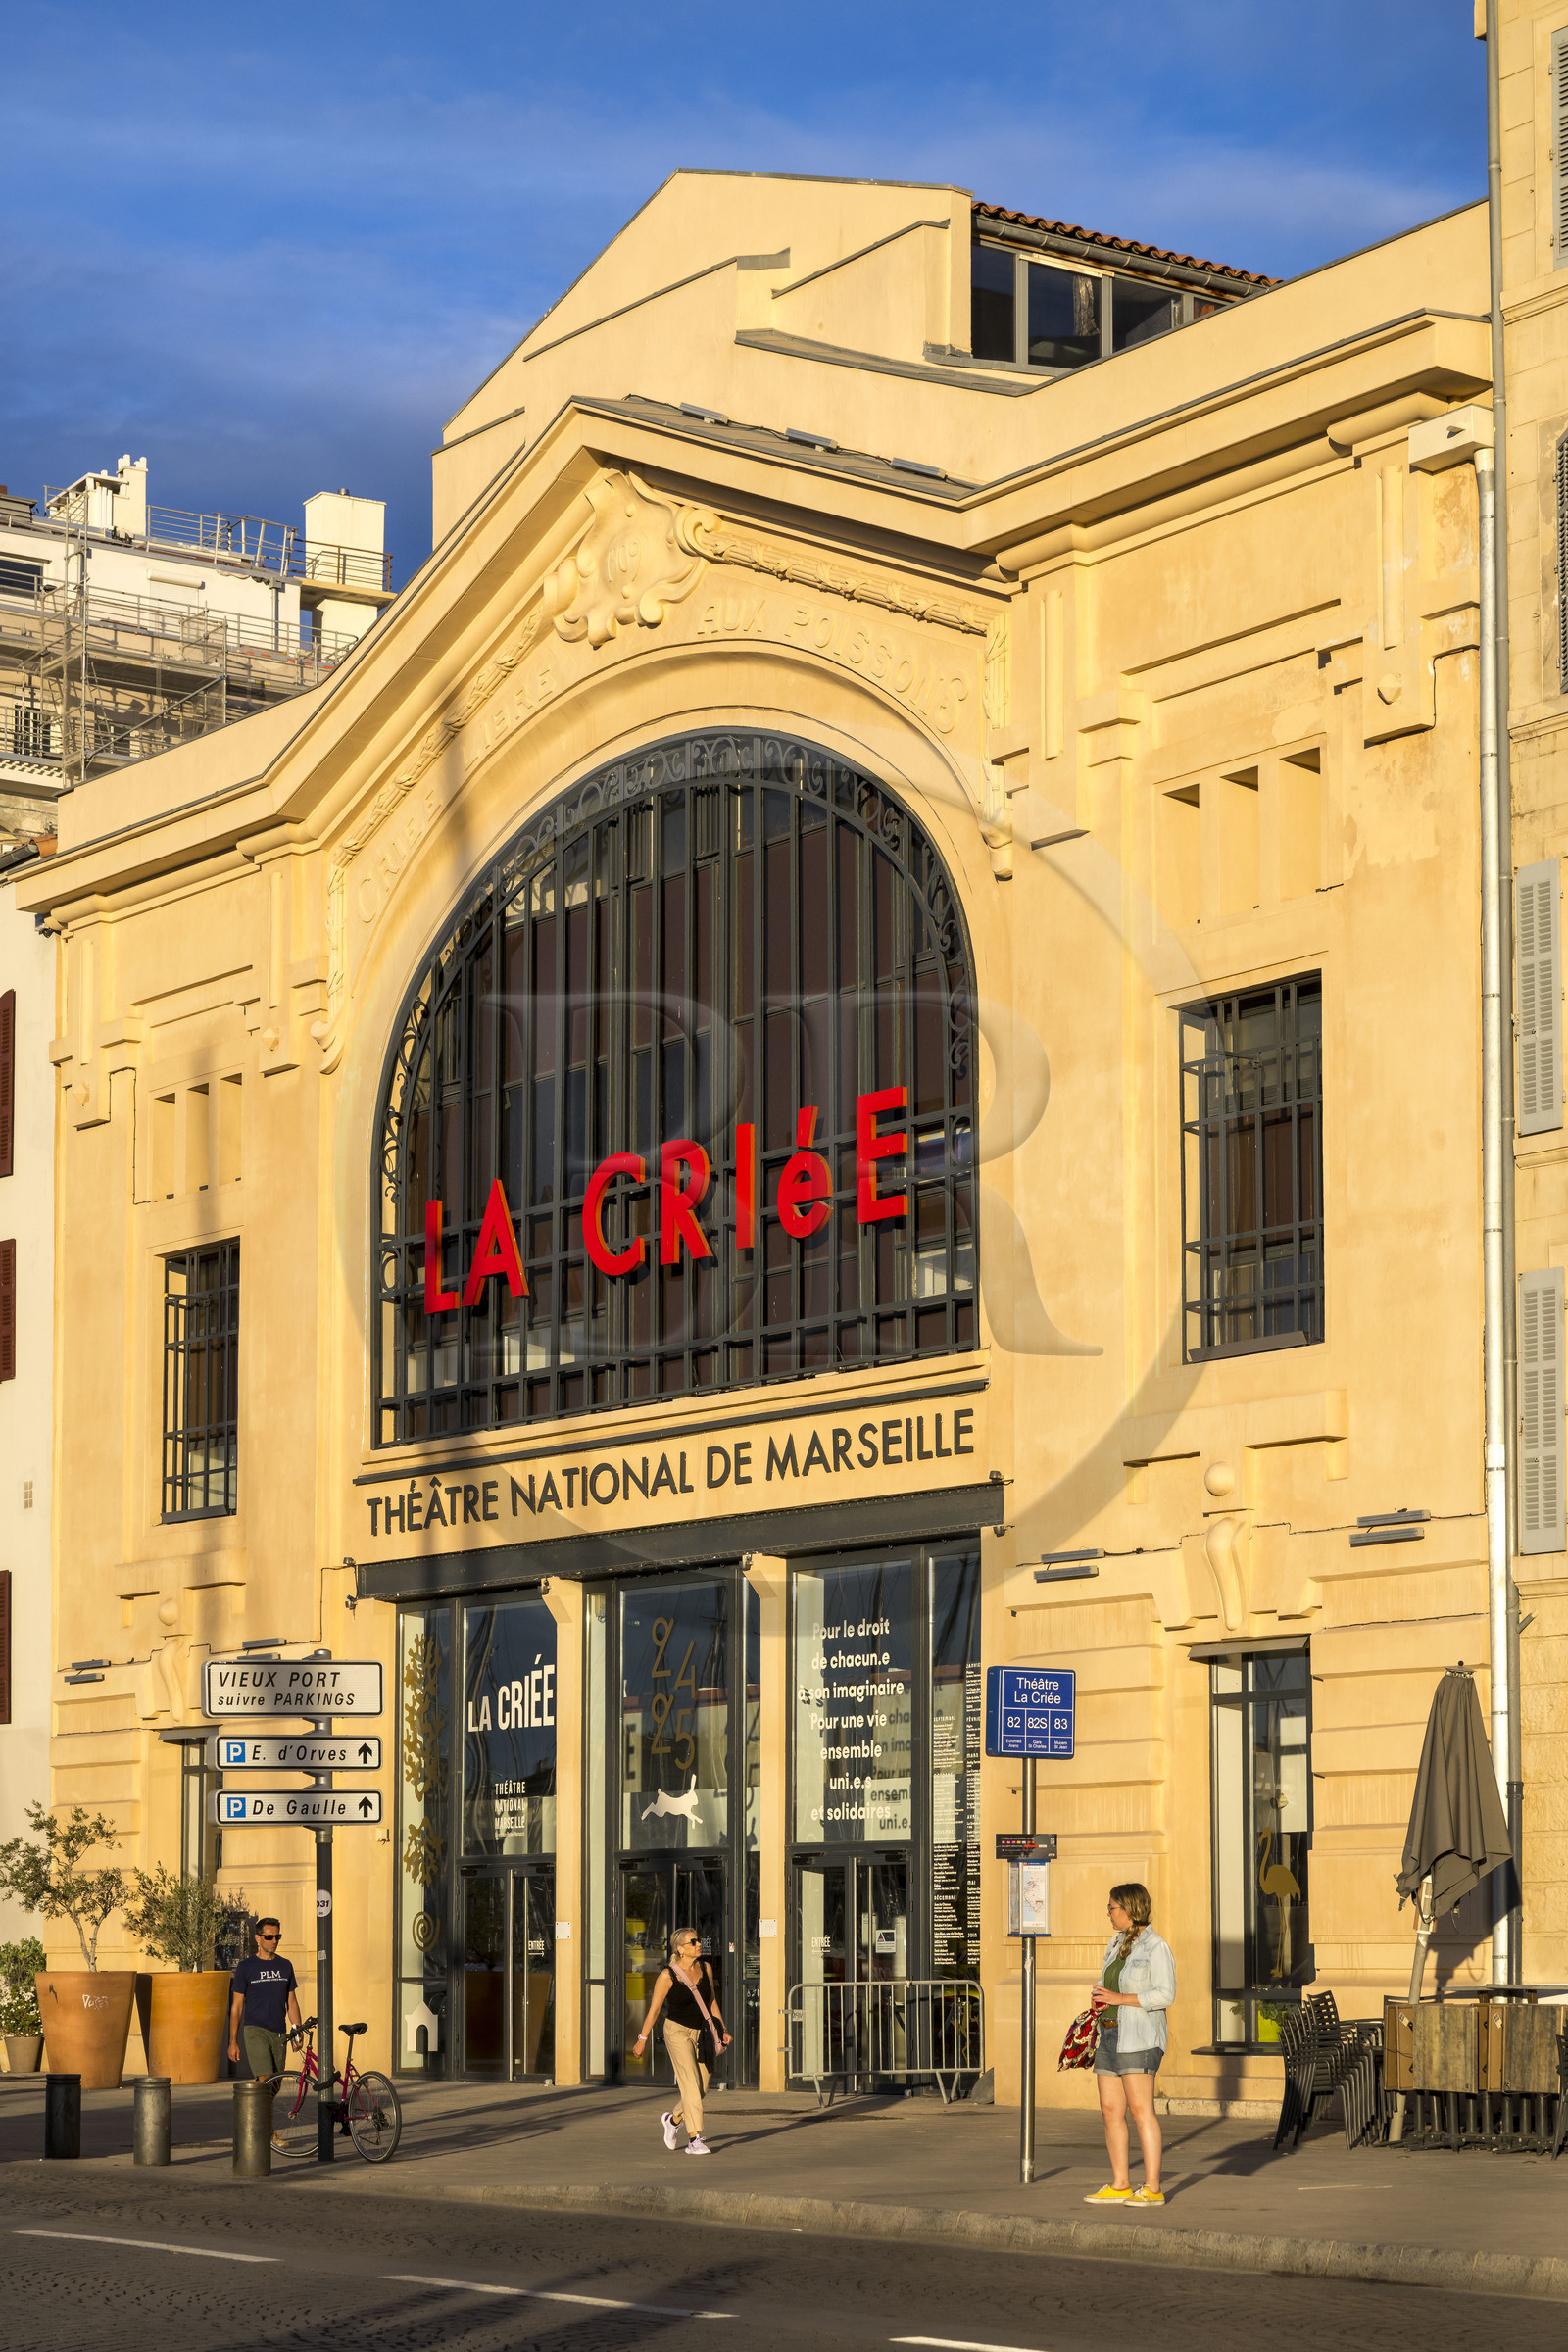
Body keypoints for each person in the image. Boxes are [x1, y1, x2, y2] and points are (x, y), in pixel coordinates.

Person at [1083, 1882, 1175, 2208]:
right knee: (1110, 2110)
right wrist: (1098, 1997)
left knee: (1140, 2110)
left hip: (1139, 2036)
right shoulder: (1116, 1942)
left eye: (1112, 1907)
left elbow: (1166, 1994)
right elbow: (1108, 1981)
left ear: (1130, 1909)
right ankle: (1121, 2184)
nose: (1108, 1913)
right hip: (1109, 2032)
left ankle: (1153, 2188)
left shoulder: (1156, 1947)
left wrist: (1120, 1998)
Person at [631, 1928, 731, 2156]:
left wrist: (722, 2028)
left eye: (699, 1940)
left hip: (702, 2033)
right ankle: (694, 2140)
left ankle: (673, 2120)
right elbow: (655, 2010)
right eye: (693, 1941)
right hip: (677, 2032)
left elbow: (712, 2002)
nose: (699, 1944)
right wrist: (642, 2040)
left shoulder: (705, 1968)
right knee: (689, 2082)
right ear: (680, 1948)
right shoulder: (668, 1976)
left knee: (702, 2086)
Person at [228, 1916, 303, 2151]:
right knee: (265, 2080)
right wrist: (233, 2041)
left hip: (279, 2031)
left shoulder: (285, 1965)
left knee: (275, 2085)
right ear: (258, 1939)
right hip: (255, 2030)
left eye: (277, 1936)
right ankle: (268, 2133)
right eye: (269, 1937)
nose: (274, 1941)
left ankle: (253, 2115)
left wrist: (297, 2030)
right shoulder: (246, 1967)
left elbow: (291, 2000)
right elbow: (237, 2006)